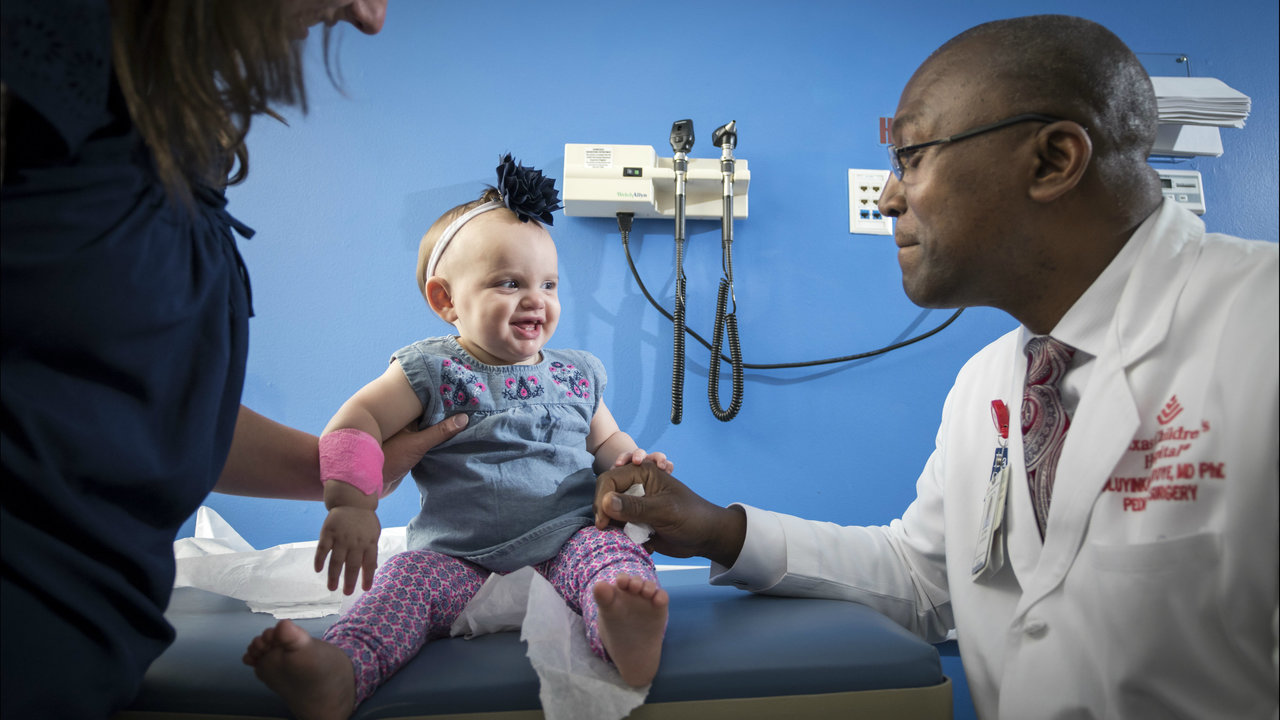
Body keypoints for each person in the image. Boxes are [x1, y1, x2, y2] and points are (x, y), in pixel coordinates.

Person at [595, 14, 1279, 720]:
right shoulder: (990, 382)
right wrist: (717, 529)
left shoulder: (1261, 327)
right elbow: (920, 578)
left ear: (1052, 161)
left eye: (912, 157)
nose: (890, 196)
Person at [1, 2, 468, 718]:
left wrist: (349, 477)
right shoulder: (38, 65)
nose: (370, 16)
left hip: (86, 661)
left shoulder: (165, 134)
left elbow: (134, 403)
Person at [243, 157, 672, 720]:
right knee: (400, 588)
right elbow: (354, 423)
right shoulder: (431, 370)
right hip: (458, 557)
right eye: (508, 283)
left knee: (611, 558)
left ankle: (624, 637)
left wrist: (632, 461)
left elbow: (606, 440)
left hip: (564, 538)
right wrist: (352, 502)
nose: (535, 299)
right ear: (445, 300)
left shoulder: (576, 371)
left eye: (548, 284)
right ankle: (339, 671)